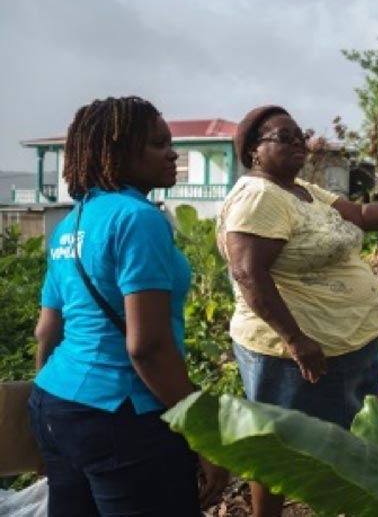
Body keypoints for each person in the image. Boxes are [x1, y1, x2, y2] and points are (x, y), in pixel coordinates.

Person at [216, 105, 378, 517]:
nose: (297, 142)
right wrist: (296, 339)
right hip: (295, 355)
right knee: (279, 445)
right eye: (283, 136)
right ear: (255, 151)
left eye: (299, 135)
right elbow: (247, 272)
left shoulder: (302, 191)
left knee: (344, 441)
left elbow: (361, 215)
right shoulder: (259, 197)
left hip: (348, 343)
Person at [28, 96, 228, 517]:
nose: (172, 153)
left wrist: (46, 425)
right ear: (119, 151)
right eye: (158, 144)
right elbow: (148, 348)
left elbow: (47, 332)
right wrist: (203, 436)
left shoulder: (72, 222)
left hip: (56, 406)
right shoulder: (139, 219)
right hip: (122, 415)